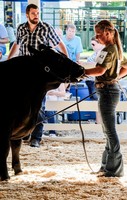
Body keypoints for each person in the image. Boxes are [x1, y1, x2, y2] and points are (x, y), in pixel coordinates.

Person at [8, 4, 68, 148]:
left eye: (38, 13)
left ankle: (36, 137)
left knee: (39, 105)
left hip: (41, 73)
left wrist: (66, 60)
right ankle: (24, 132)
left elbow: (59, 43)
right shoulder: (21, 28)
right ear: (27, 15)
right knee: (21, 103)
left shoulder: (46, 27)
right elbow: (16, 45)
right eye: (33, 13)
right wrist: (8, 60)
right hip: (23, 72)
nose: (36, 15)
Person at [84, 20, 127, 177]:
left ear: (108, 33)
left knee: (109, 131)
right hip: (107, 90)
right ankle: (107, 166)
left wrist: (82, 72)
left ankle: (114, 169)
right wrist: (115, 78)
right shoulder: (112, 49)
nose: (97, 37)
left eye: (99, 34)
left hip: (108, 92)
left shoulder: (110, 50)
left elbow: (100, 70)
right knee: (107, 130)